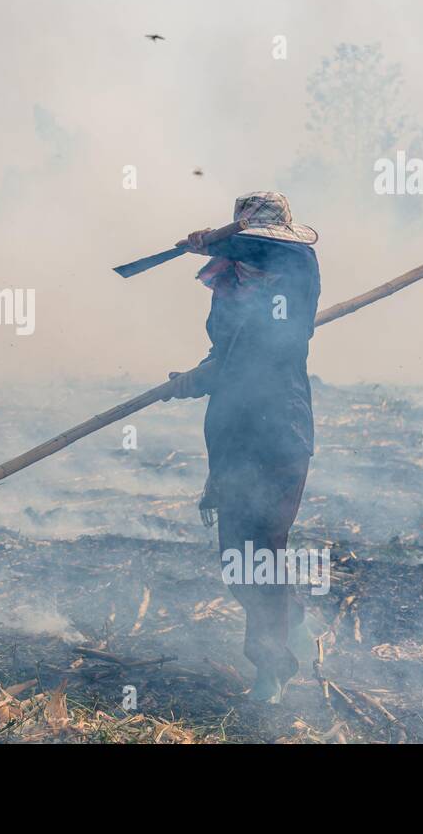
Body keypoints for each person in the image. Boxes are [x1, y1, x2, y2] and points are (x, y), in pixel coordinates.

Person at [165, 191, 320, 703]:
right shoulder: (228, 288)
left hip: (280, 436)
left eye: (259, 243)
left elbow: (281, 255)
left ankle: (271, 671)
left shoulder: (296, 276)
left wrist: (218, 238)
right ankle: (291, 619)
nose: (255, 256)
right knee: (238, 561)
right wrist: (195, 379)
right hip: (232, 437)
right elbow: (227, 357)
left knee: (264, 552)